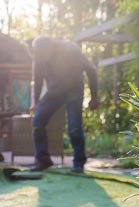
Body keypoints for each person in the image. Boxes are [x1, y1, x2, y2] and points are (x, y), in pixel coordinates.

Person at [28, 36, 99, 173]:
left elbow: (91, 70)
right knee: (37, 120)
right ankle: (43, 161)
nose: (40, 58)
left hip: (74, 90)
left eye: (43, 54)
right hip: (54, 92)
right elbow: (37, 80)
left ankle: (78, 163)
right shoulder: (38, 57)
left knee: (74, 127)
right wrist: (35, 102)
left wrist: (94, 97)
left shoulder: (70, 50)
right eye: (38, 54)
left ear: (52, 47)